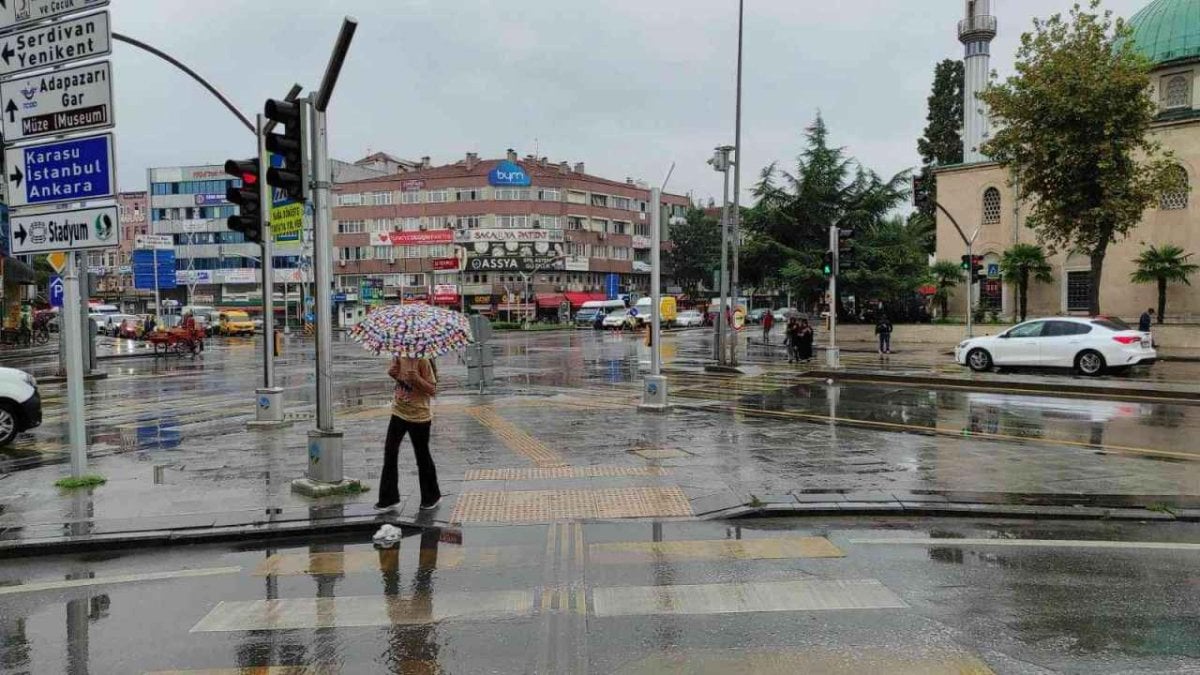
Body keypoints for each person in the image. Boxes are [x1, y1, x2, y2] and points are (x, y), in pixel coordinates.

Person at [376, 356, 441, 512]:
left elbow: (432, 390)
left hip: (419, 416)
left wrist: (417, 378)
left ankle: (431, 496)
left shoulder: (423, 361)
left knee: (422, 457)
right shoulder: (398, 357)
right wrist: (393, 374)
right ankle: (389, 498)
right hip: (398, 412)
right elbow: (401, 382)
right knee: (390, 452)